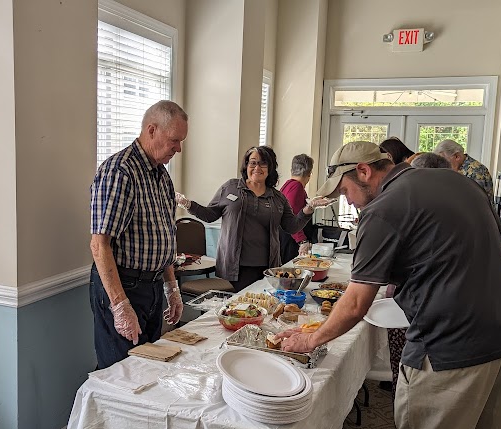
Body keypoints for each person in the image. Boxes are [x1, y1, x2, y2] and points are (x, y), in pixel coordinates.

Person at [279, 141, 501, 429]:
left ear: (363, 171)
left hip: (448, 348)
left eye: (344, 191)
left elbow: (357, 303)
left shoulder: (382, 209)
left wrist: (311, 340)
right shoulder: (462, 183)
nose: (348, 200)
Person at [89, 100, 186, 369]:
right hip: (124, 285)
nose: (178, 148)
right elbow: (99, 245)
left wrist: (171, 287)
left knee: (149, 368)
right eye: (174, 140)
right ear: (152, 130)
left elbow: (164, 236)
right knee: (122, 372)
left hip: (152, 286)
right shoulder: (120, 172)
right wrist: (120, 305)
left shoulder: (161, 176)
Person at [175, 146, 333, 292]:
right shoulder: (230, 188)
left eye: (263, 163)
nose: (257, 168)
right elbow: (210, 215)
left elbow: (291, 226)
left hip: (267, 268)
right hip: (234, 267)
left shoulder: (278, 198)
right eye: (253, 163)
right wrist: (187, 204)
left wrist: (310, 207)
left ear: (270, 167)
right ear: (246, 166)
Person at [433, 139, 494, 204]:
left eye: (445, 161)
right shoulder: (458, 168)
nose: (443, 165)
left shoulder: (476, 172)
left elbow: (474, 203)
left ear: (457, 156)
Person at [280, 154, 315, 263]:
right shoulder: (297, 187)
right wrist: (302, 241)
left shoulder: (287, 185)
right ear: (309, 174)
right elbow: (292, 218)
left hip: (286, 238)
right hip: (291, 241)